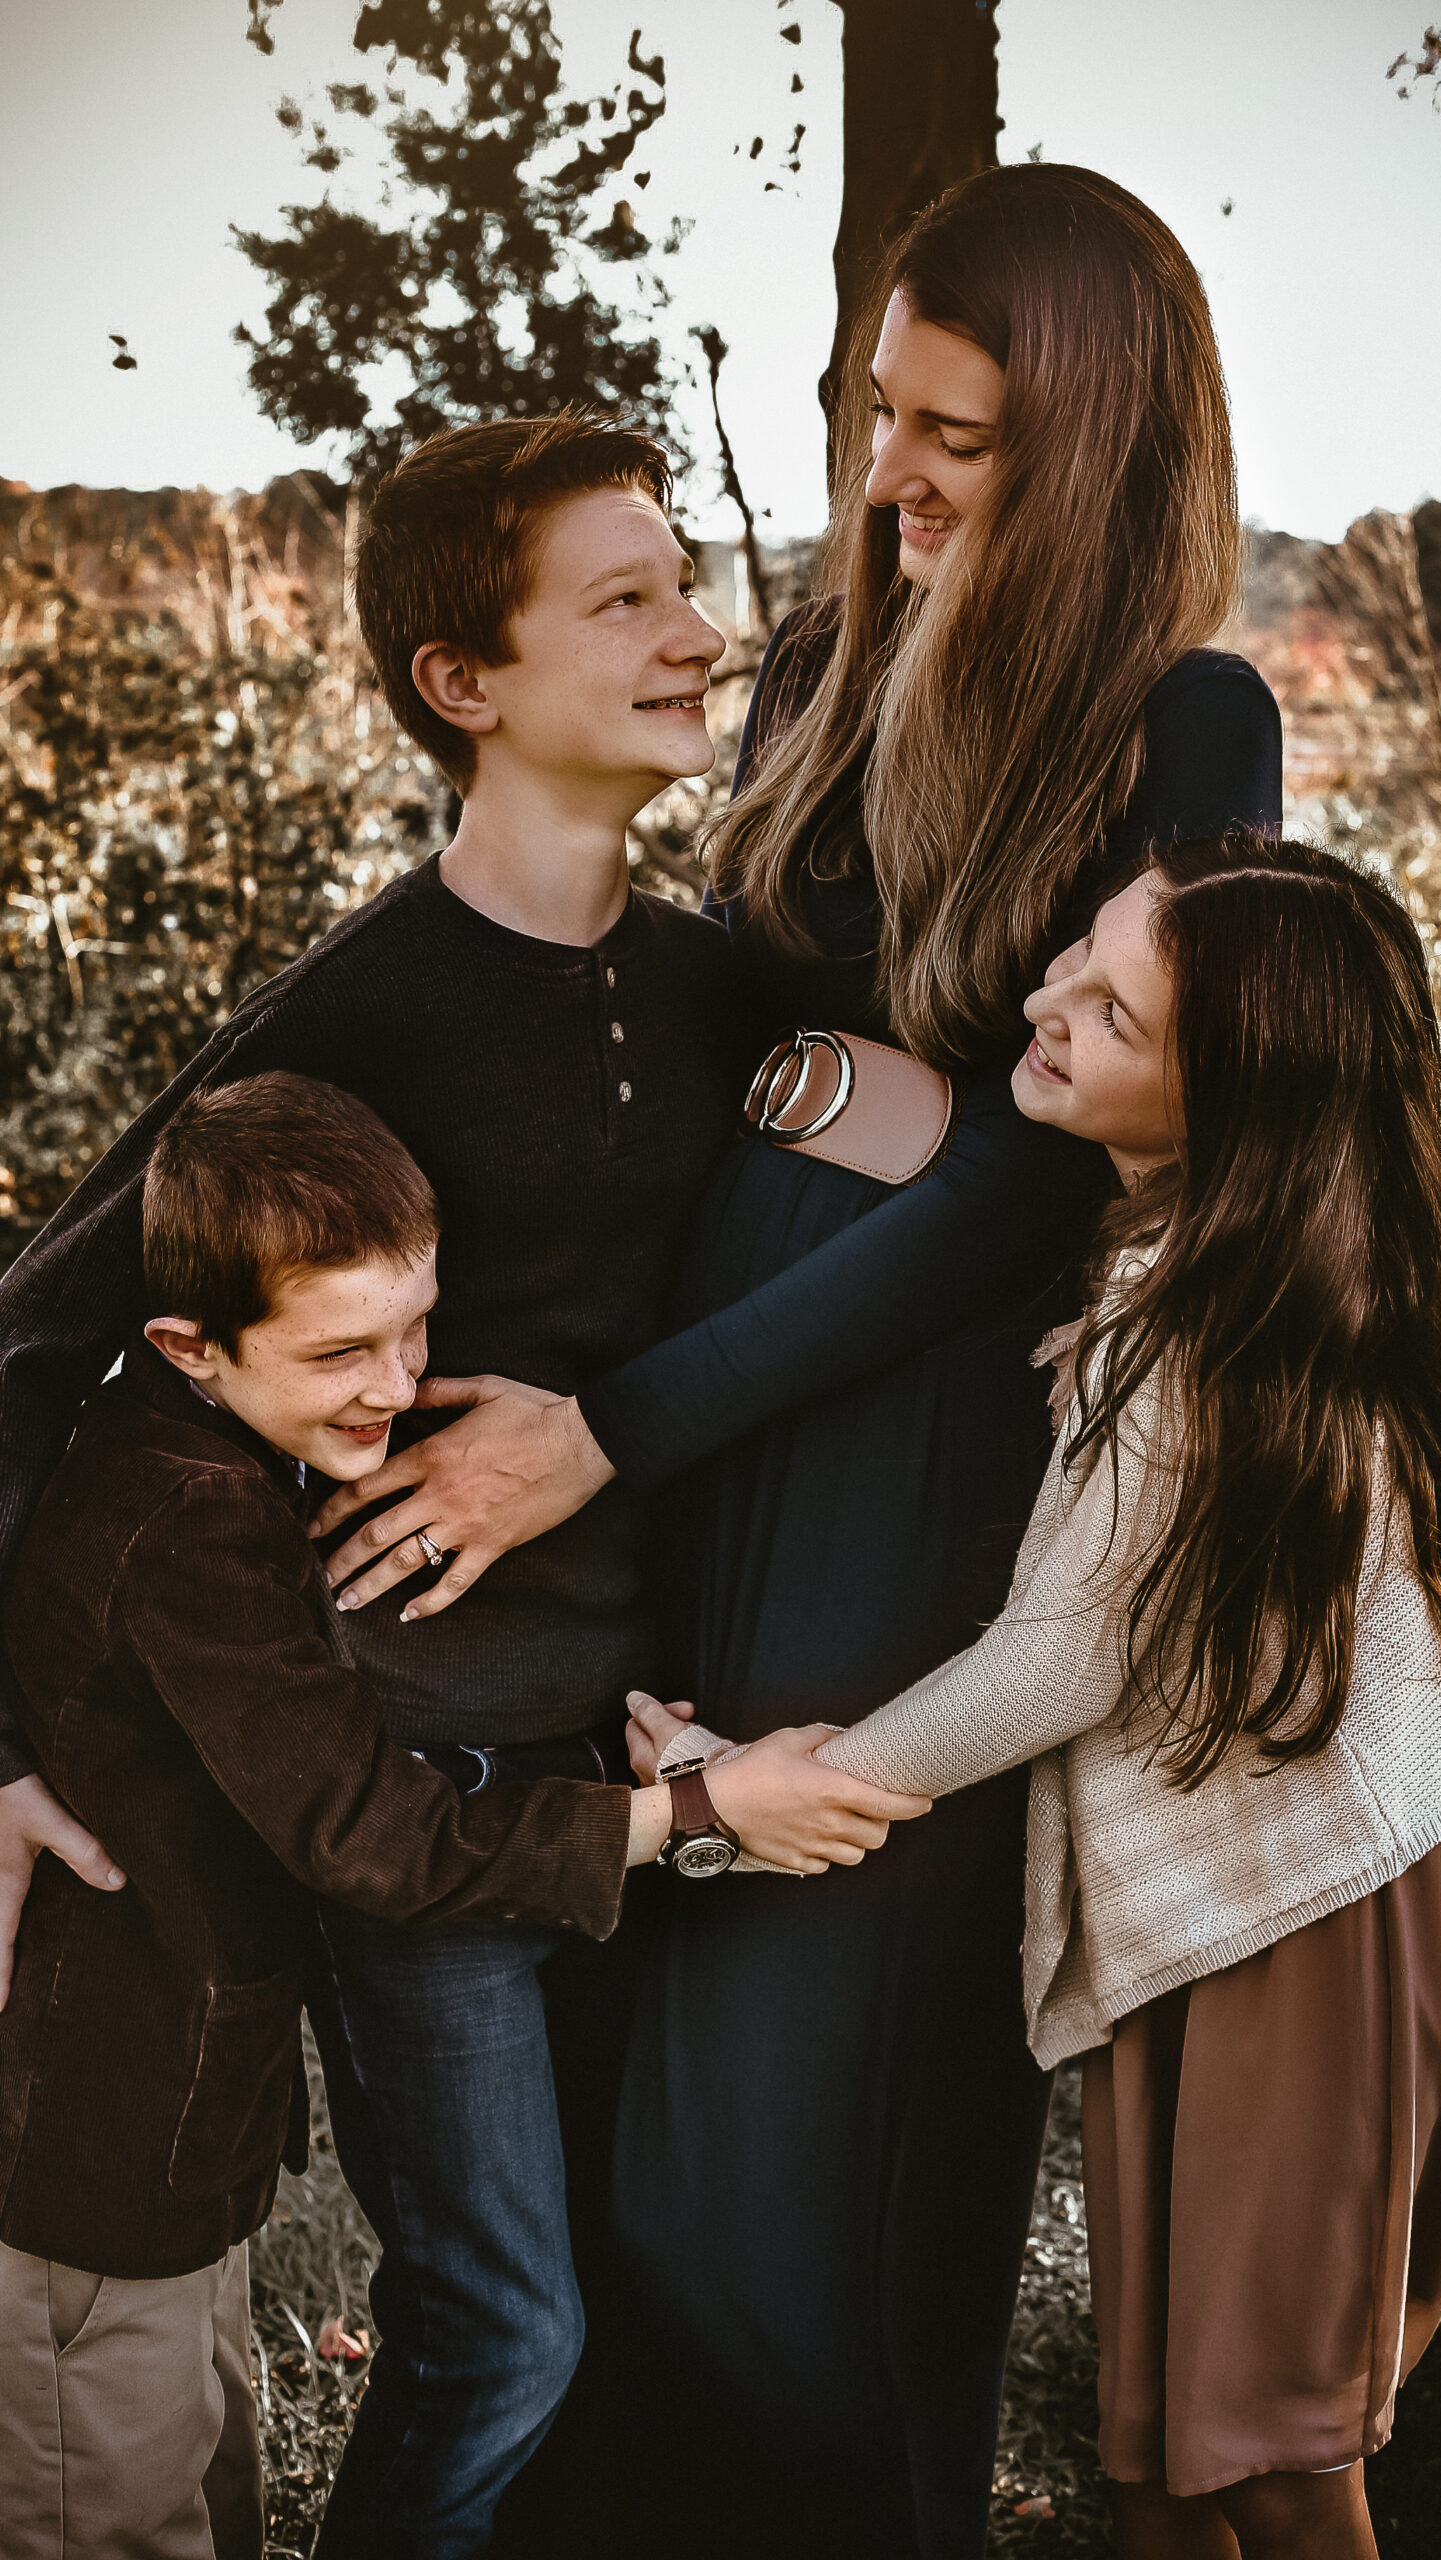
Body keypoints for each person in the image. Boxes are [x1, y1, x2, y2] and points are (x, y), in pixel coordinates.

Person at [316, 164, 1286, 2556]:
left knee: (805, 2152)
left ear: (1093, 434)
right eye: (875, 410)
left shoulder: (1186, 718)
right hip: (694, 1471)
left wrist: (618, 1419)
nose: (888, 470)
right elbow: (755, 1034)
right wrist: (866, 1100)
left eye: (953, 429)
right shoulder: (831, 676)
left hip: (896, 1482)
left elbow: (1065, 1166)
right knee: (637, 2144)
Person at [0, 409, 923, 2556]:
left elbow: (871, 1228)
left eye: (684, 581)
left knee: (625, 2306)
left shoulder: (718, 988)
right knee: (501, 2322)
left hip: (627, 1737)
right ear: (461, 681)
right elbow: (36, 1347)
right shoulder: (351, 1018)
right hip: (408, 1776)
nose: (699, 631)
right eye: (626, 598)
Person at [637, 835, 1441, 2560]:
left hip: (1291, 1932)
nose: (1048, 1003)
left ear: (1223, 1102)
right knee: (1160, 2464)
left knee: (1264, 2459)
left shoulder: (1199, 1339)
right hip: (1256, 1918)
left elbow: (1059, 1660)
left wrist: (737, 1809)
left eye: (1112, 1010)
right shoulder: (1256, 1265)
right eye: (1079, 959)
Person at [0, 1072, 904, 2560]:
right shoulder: (185, 1522)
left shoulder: (220, 1451)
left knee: (203, 2503)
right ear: (186, 1346)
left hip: (175, 2154)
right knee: (111, 2523)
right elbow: (375, 1836)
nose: (396, 1379)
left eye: (416, 1326)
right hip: (85, 2168)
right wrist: (693, 1809)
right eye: (342, 1348)